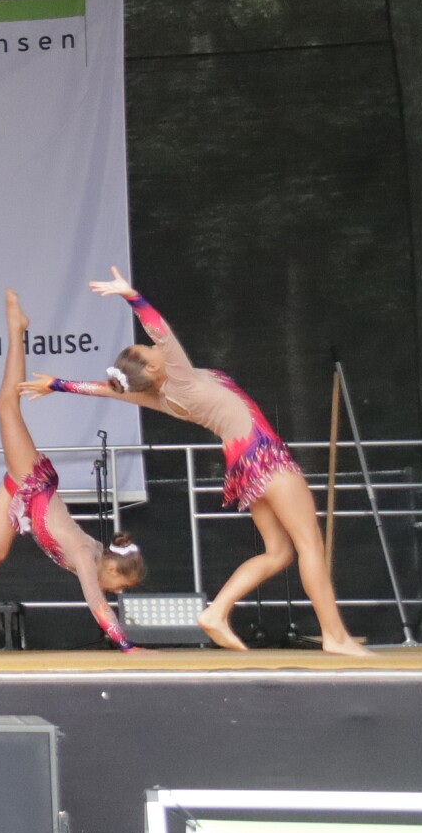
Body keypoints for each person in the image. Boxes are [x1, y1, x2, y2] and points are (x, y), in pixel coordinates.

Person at [23, 267, 369, 655]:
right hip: (265, 458)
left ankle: (216, 612)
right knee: (310, 547)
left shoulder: (157, 395)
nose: (154, 348)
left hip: (245, 468)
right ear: (153, 368)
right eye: (149, 351)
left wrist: (57, 384)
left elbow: (105, 390)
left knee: (279, 553)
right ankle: (335, 636)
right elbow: (159, 331)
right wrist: (131, 296)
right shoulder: (179, 379)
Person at [0, 290, 146, 651]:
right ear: (111, 569)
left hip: (26, 497)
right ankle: (17, 330)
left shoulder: (94, 554)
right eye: (121, 586)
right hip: (34, 484)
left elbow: (104, 584)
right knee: (6, 405)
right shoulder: (87, 557)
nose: (118, 592)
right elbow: (97, 602)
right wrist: (126, 645)